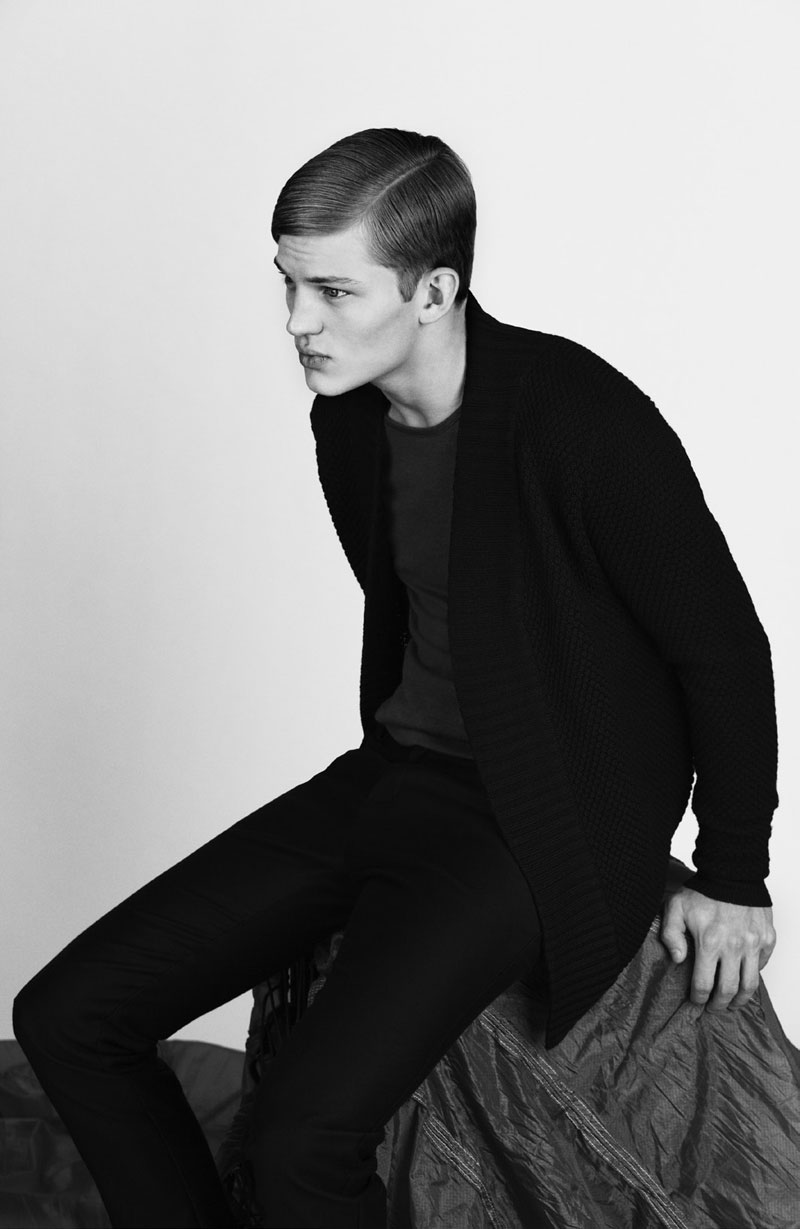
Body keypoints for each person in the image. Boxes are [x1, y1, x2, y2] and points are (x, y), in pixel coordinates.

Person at [12, 127, 779, 1229]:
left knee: (302, 1140)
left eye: (333, 290)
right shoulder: (350, 423)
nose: (297, 321)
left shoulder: (580, 416)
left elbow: (724, 649)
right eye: (287, 283)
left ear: (433, 291)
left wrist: (735, 871)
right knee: (70, 1014)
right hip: (391, 781)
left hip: (532, 825)